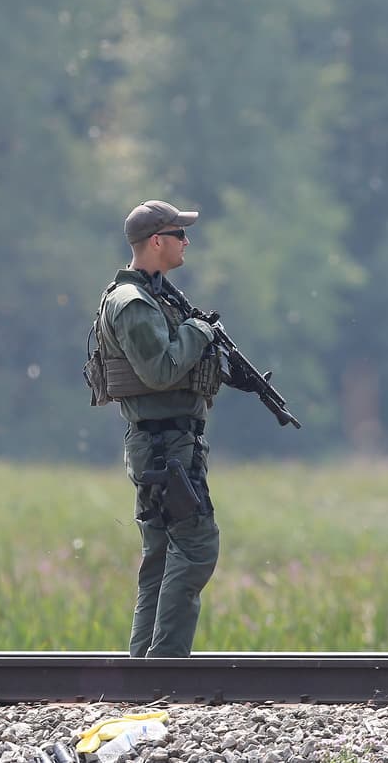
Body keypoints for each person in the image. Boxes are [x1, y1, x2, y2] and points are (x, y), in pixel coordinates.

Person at [89, 199, 223, 658]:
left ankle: (144, 671)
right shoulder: (132, 304)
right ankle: (165, 667)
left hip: (168, 445)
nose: (187, 242)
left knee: (163, 555)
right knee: (197, 545)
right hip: (165, 449)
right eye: (179, 234)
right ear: (156, 242)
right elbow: (162, 370)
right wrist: (200, 333)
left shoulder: (156, 294)